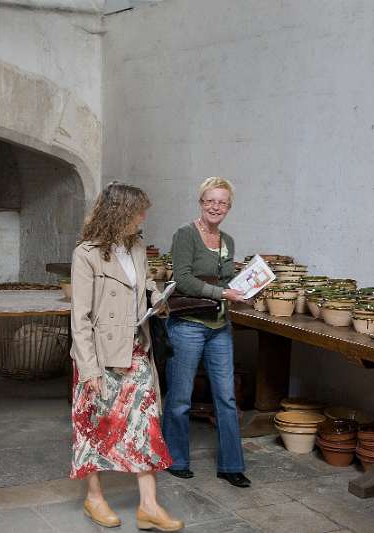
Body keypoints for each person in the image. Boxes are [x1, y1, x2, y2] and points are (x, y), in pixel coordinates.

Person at [69, 182, 184, 531]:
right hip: (100, 356)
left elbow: (145, 283)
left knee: (145, 424)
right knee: (93, 425)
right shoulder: (86, 253)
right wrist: (89, 369)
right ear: (119, 212)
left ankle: (149, 505)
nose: (143, 217)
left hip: (135, 348)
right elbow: (81, 317)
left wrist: (157, 298)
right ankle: (94, 498)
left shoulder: (135, 246)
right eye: (139, 210)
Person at [162, 177, 251, 488]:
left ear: (229, 207)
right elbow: (183, 281)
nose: (216, 207)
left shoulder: (227, 240)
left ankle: (231, 465)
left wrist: (248, 285)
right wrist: (224, 294)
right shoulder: (185, 235)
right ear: (201, 202)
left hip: (219, 327)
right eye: (210, 201)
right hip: (188, 325)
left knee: (226, 398)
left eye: (222, 202)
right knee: (181, 397)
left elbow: (226, 280)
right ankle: (175, 458)